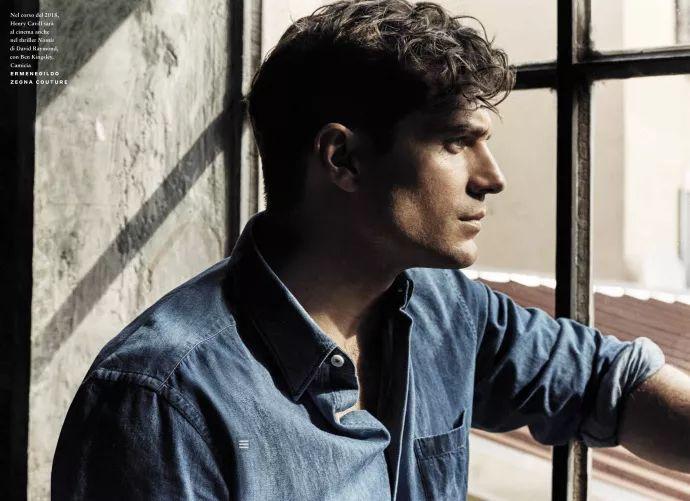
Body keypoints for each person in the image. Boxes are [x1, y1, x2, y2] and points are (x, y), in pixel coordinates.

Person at [51, 1, 690, 499]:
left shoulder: (443, 309)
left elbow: (611, 382)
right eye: (454, 142)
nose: (491, 178)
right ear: (344, 159)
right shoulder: (161, 402)